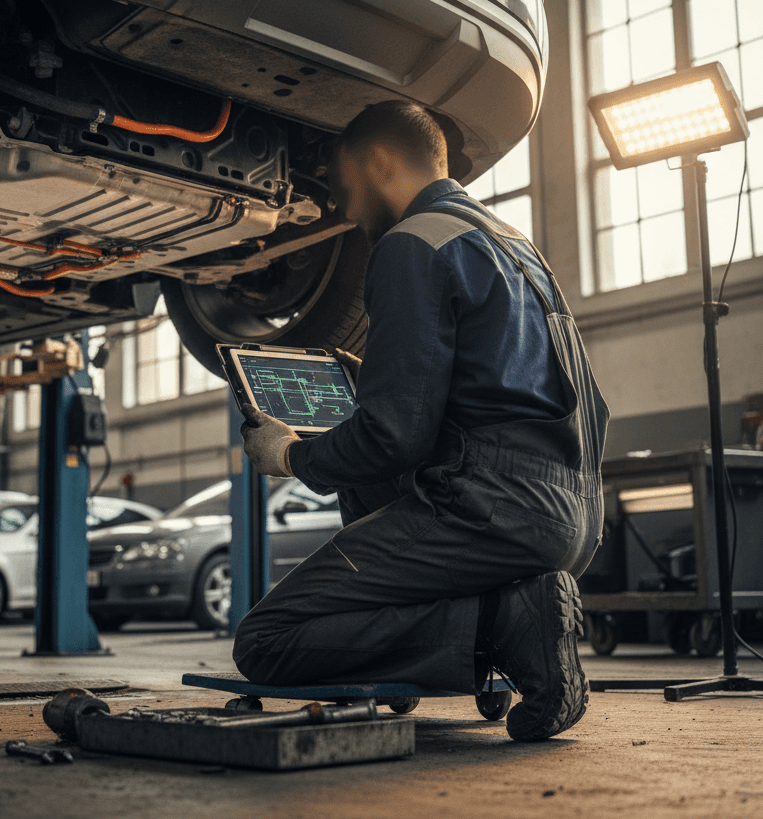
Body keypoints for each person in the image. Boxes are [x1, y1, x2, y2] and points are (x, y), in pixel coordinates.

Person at [235, 100, 608, 742]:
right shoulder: (513, 245)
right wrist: (381, 368)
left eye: (345, 190)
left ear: (379, 164)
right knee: (366, 490)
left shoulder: (412, 241)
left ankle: (505, 620)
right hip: (575, 515)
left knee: (266, 642)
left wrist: (292, 456)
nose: (348, 213)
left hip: (490, 509)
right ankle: (509, 624)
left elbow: (392, 436)